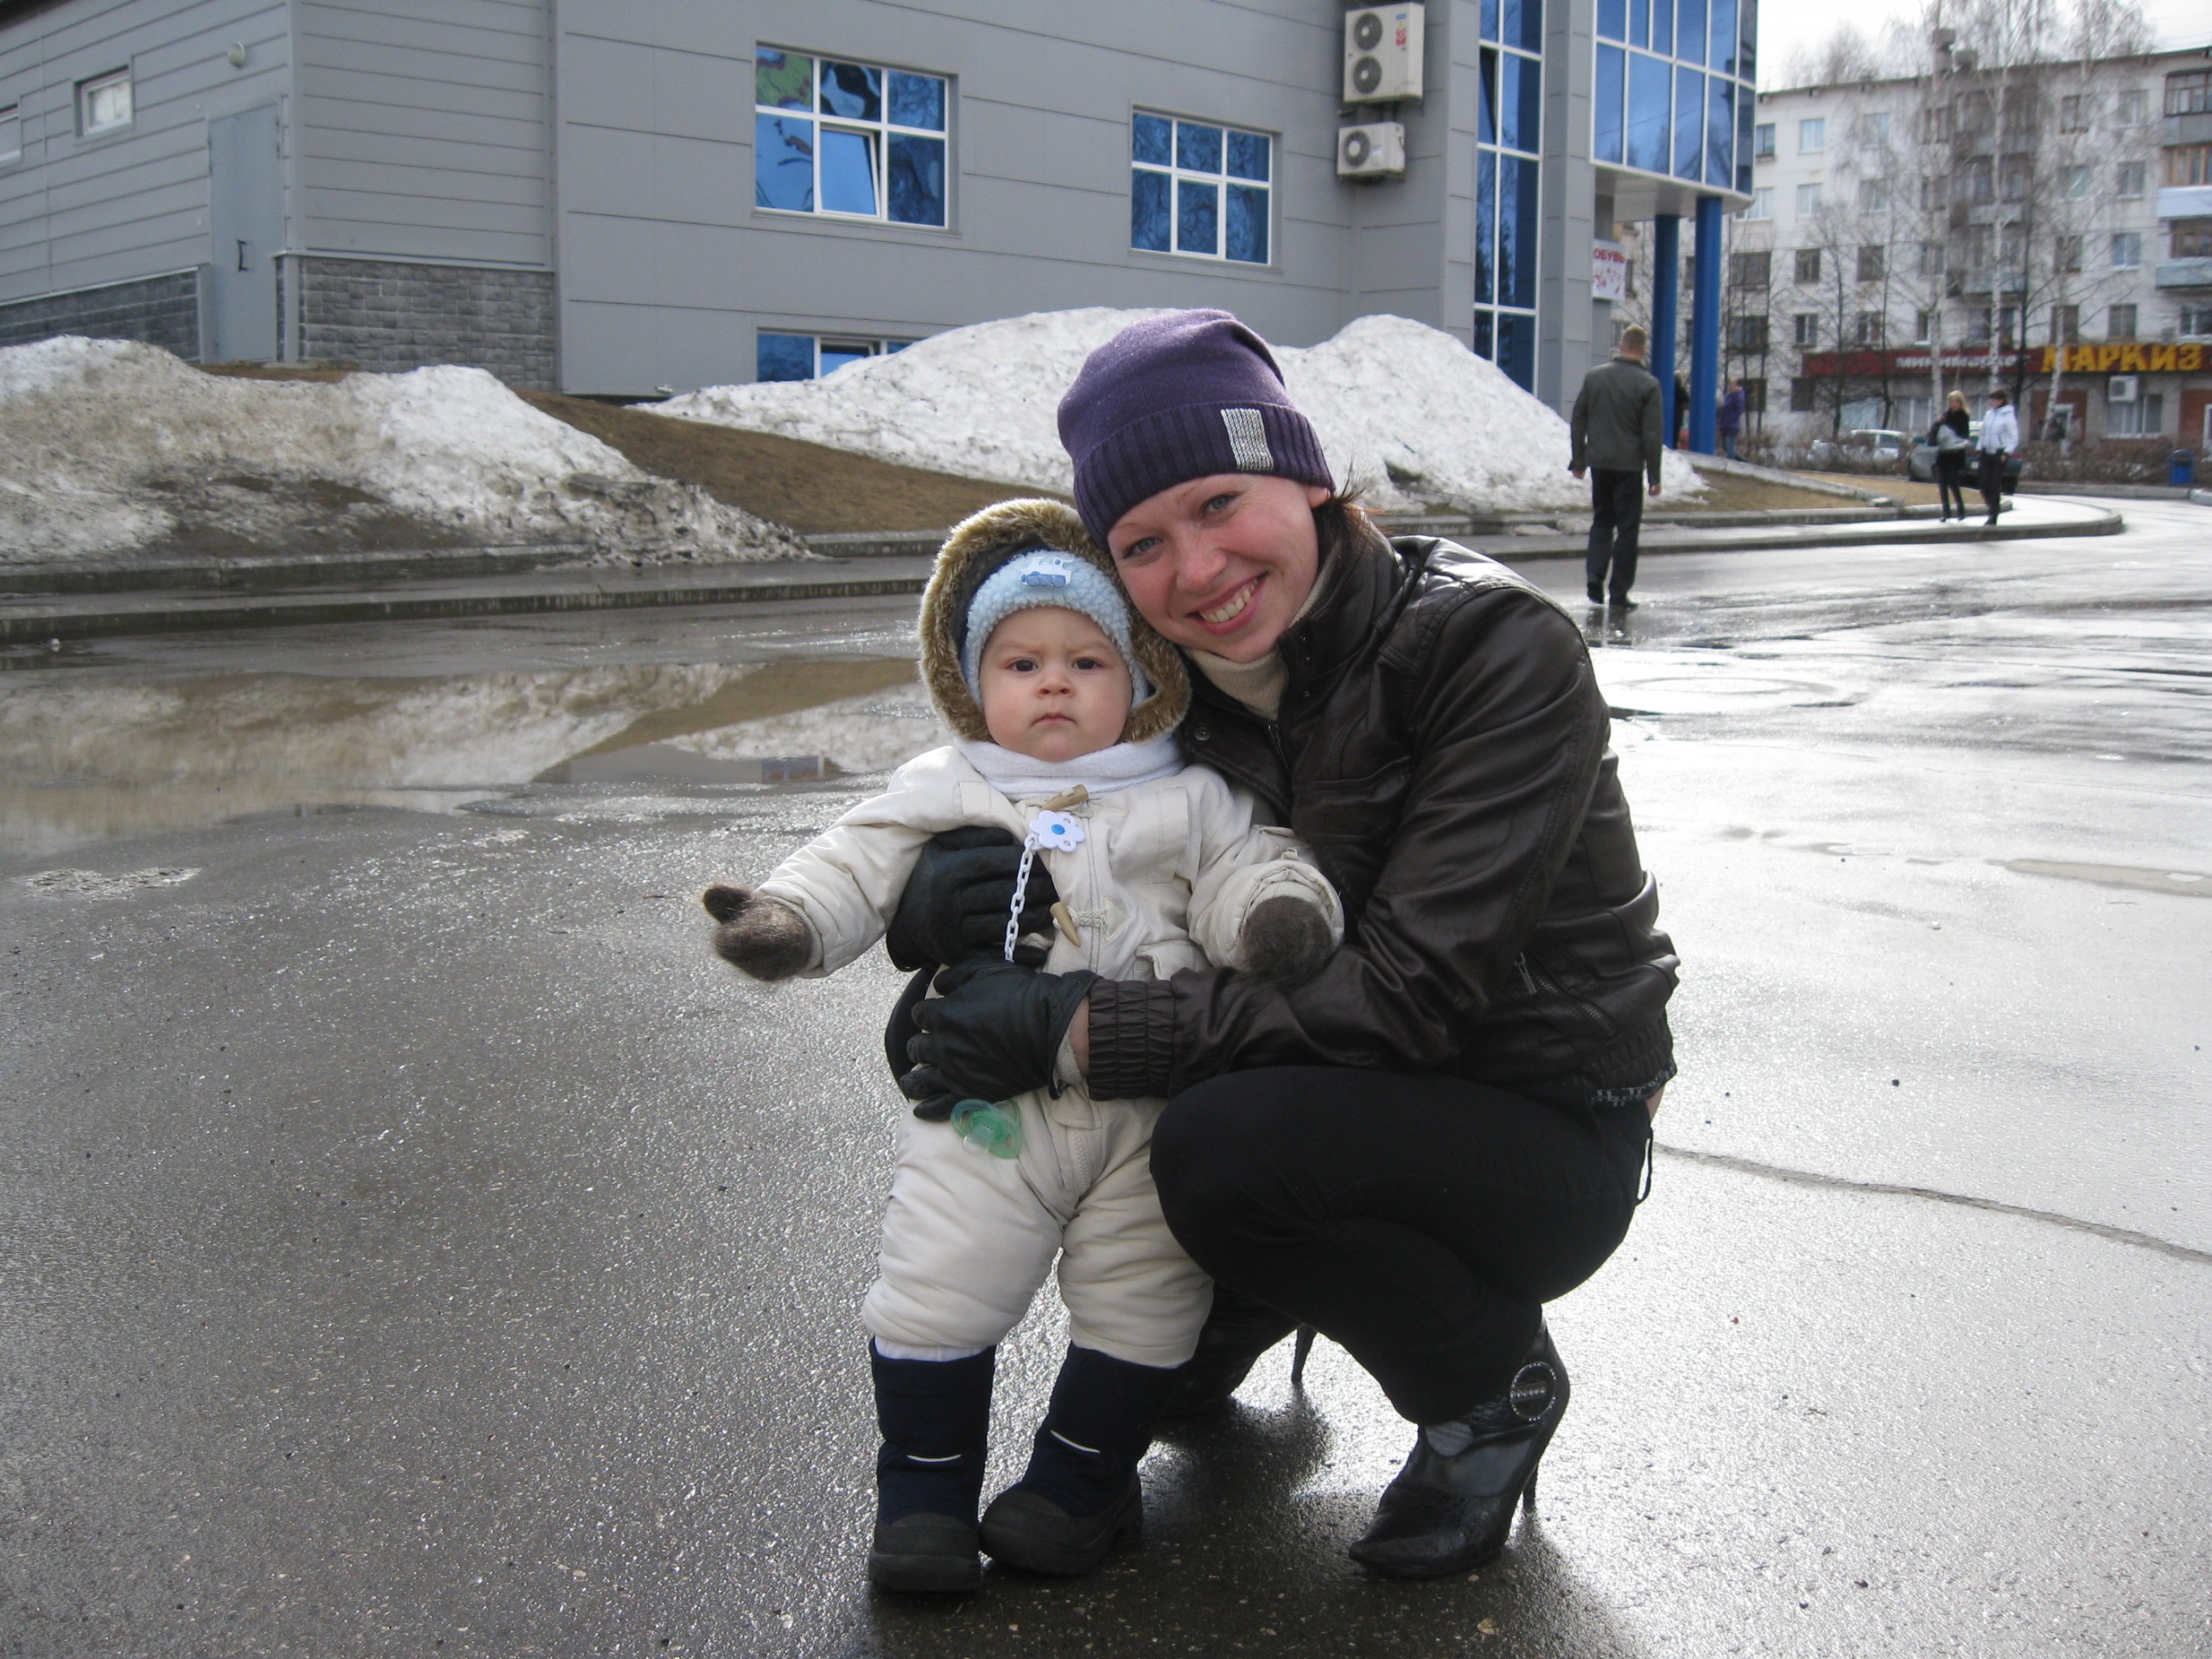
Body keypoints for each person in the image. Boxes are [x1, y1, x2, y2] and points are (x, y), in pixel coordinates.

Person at [892, 310, 1678, 1582]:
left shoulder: (1491, 647)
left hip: (1537, 1124)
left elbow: (1411, 997)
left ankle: (1490, 1386)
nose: (1197, 569)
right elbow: (1090, 871)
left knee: (1220, 1149)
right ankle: (1257, 1287)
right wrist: (956, 941)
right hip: (1327, 1085)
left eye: (1220, 504)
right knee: (1131, 1111)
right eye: (1143, 544)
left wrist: (1068, 1029)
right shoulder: (1164, 696)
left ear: (1307, 479)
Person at [702, 498, 1340, 1594]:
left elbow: (1252, 867)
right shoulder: (950, 784)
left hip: (1154, 1111)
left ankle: (1076, 1491)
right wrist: (789, 922)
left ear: (1140, 678)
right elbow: (853, 861)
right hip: (989, 1106)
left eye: (1086, 662)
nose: (1053, 684)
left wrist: (1276, 915)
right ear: (970, 683)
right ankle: (922, 1503)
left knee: (1145, 1303)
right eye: (1021, 663)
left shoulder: (1191, 793)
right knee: (935, 1286)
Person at [1569, 324, 1666, 610]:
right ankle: (1619, 592)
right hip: (1630, 466)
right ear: (1643, 349)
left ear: (1622, 345)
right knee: (1627, 529)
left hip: (1599, 463)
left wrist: (1579, 459)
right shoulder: (1649, 385)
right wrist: (1654, 476)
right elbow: (1652, 434)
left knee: (1602, 520)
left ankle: (1594, 576)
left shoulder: (1594, 377)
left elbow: (1579, 419)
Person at [1977, 387, 2018, 527]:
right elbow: (1983, 433)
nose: (1992, 402)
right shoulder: (1989, 414)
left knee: (1994, 485)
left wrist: (2006, 452)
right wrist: (1979, 448)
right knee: (1983, 484)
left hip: (1999, 454)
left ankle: (1993, 514)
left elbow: (2013, 437)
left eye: (1995, 400)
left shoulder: (2008, 416)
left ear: (2001, 400)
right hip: (1986, 452)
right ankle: (1990, 505)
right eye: (1991, 400)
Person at [1929, 390, 1972, 521]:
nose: (1954, 404)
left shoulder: (1963, 417)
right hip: (1944, 454)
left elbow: (1964, 435)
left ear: (1961, 403)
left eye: (1956, 402)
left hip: (1956, 454)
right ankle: (1946, 512)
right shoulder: (1945, 416)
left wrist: (1956, 438)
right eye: (1952, 402)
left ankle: (1961, 510)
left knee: (1953, 482)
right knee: (1942, 484)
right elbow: (1935, 435)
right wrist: (1937, 423)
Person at [1717, 379, 1746, 461]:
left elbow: (1739, 410)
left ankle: (1732, 462)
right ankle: (1742, 461)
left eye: (1732, 385)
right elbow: (1725, 408)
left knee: (1730, 447)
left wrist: (1730, 419)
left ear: (1737, 386)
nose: (1730, 387)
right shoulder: (1729, 395)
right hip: (1725, 424)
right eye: (1730, 385)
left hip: (1732, 425)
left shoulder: (1739, 397)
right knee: (1725, 447)